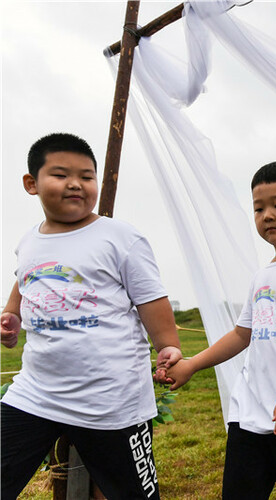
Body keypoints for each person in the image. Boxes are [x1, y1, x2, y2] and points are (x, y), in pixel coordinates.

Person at [1, 133, 182, 499]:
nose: (75, 184)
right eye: (60, 174)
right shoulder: (29, 240)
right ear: (31, 184)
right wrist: (10, 315)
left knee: (130, 493)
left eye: (86, 176)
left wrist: (168, 346)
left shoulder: (118, 237)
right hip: (37, 393)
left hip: (111, 400)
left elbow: (151, 299)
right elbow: (26, 276)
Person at [165, 159, 276, 499]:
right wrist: (191, 364)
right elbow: (241, 334)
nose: (267, 215)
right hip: (248, 415)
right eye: (259, 208)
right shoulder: (262, 276)